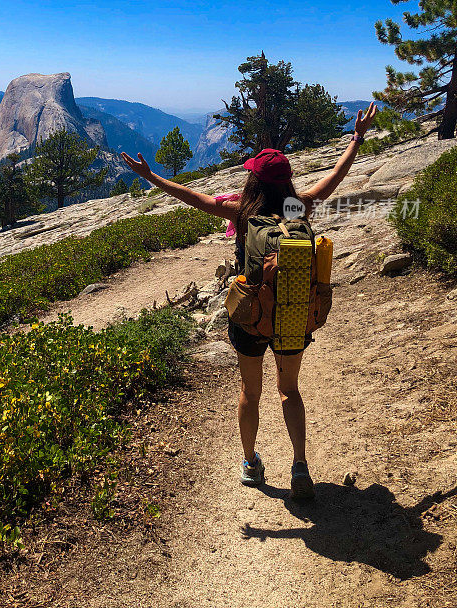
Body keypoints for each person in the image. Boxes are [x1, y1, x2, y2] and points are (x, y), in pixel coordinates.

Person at [120, 102, 378, 499]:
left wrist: (150, 175)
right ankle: (300, 467)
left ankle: (250, 463)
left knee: (250, 391)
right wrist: (357, 138)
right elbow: (334, 179)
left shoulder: (242, 212)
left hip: (250, 317)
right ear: (287, 182)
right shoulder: (299, 207)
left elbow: (192, 196)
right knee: (290, 391)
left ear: (255, 182)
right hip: (292, 315)